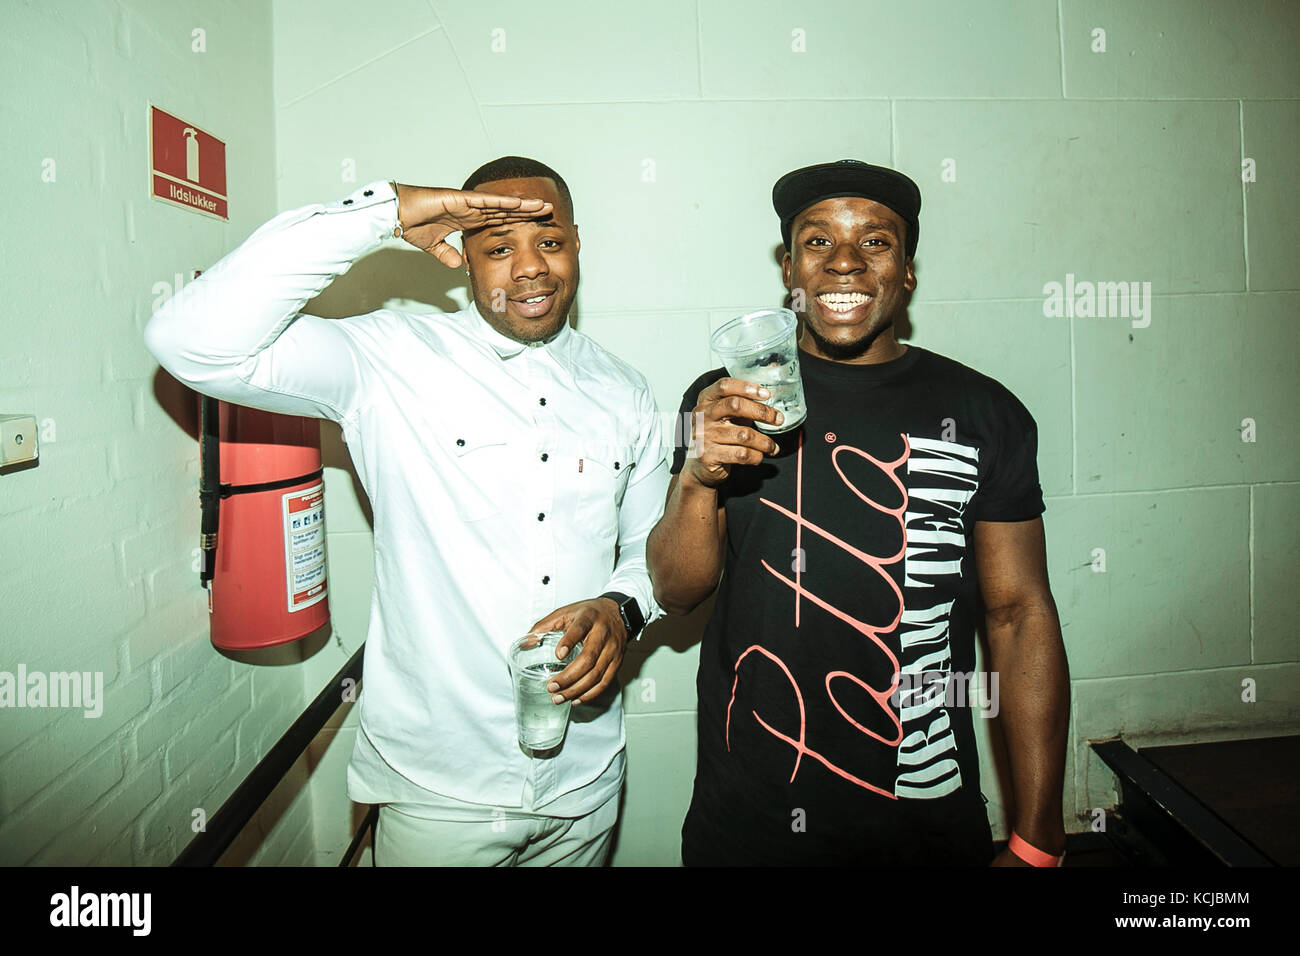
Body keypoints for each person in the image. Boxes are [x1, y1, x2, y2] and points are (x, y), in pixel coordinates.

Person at [145, 157, 667, 866]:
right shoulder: (386, 357)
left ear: (577, 241)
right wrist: (383, 212)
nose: (529, 269)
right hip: (439, 786)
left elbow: (648, 550)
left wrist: (621, 608)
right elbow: (189, 341)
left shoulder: (627, 389)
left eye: (548, 241)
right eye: (498, 248)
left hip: (586, 780)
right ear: (463, 259)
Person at [646, 159, 1070, 866]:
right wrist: (696, 476)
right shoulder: (728, 398)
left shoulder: (984, 411)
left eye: (875, 242)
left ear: (906, 272)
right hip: (750, 821)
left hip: (923, 821)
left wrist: (1038, 837)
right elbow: (676, 590)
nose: (844, 261)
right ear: (790, 269)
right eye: (817, 242)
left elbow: (1019, 614)